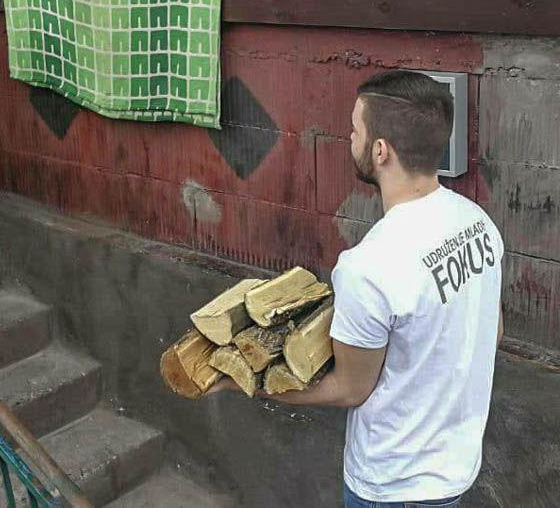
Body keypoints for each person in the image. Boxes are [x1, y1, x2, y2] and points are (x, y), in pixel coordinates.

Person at [209, 70, 504, 508]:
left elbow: (350, 389)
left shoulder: (368, 266)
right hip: (455, 469)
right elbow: (492, 331)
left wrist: (243, 383)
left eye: (355, 129)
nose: (349, 138)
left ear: (381, 151)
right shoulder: (477, 222)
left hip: (392, 486)